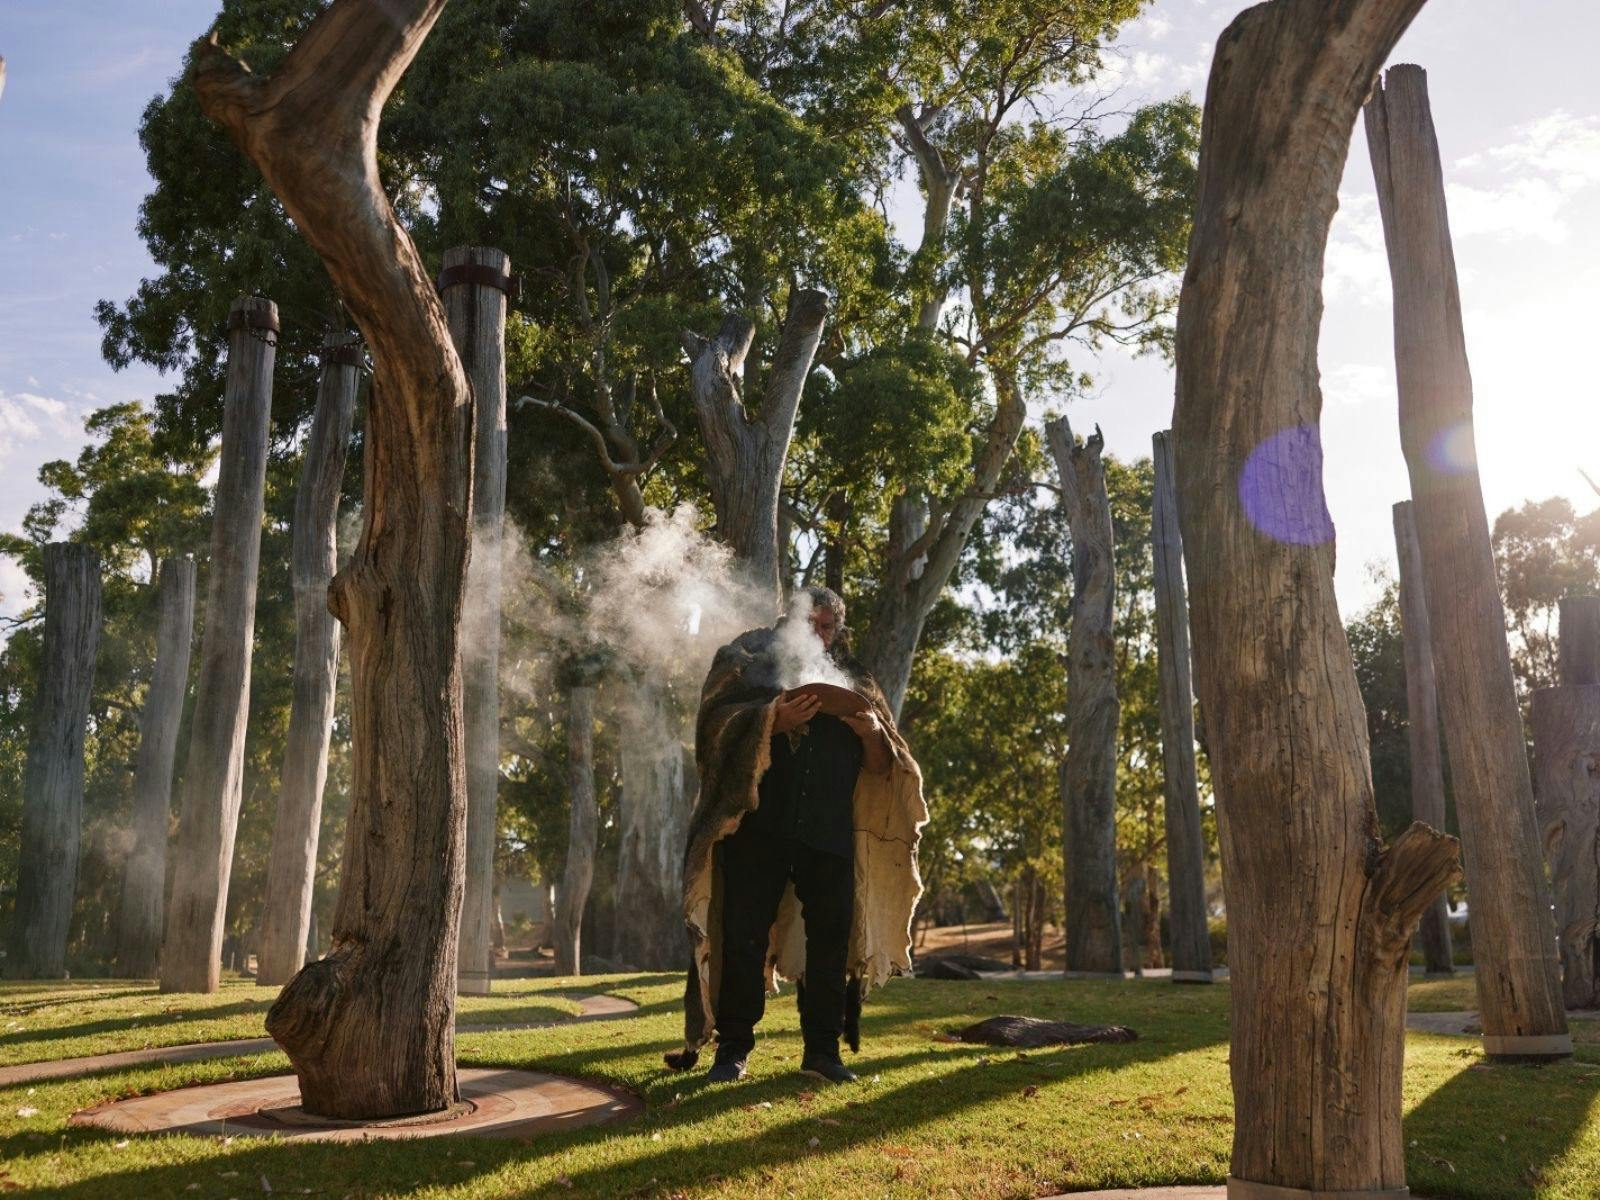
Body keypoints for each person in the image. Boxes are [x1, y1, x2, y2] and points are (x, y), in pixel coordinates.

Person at [663, 587, 927, 1084]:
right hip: (758, 825)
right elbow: (712, 731)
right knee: (741, 935)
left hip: (829, 834)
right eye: (811, 623)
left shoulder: (859, 682)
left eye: (828, 627)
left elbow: (881, 767)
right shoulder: (747, 664)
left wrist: (871, 732)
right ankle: (733, 1050)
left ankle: (823, 1053)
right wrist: (770, 720)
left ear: (837, 632)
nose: (819, 633)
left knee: (830, 941)